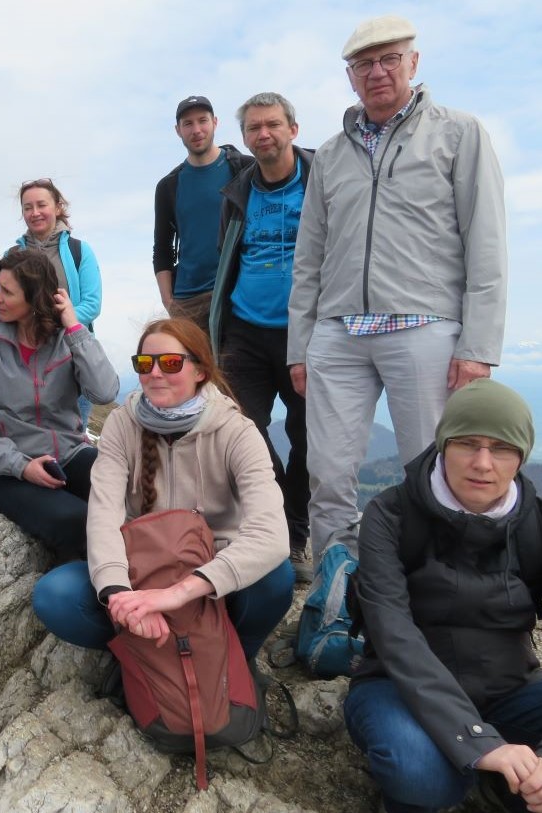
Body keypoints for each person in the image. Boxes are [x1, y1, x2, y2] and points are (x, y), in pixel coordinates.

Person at [288, 15, 508, 563]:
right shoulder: (330, 154)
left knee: (431, 471)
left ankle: (434, 591)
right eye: (363, 63)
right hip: (337, 332)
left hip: (425, 326)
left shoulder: (459, 133)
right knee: (327, 474)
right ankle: (335, 591)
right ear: (350, 76)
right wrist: (300, 347)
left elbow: (486, 241)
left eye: (389, 58)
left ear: (414, 62)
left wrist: (479, 346)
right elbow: (308, 257)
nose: (377, 72)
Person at [32, 318, 293, 664]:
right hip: (142, 570)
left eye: (170, 363)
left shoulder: (237, 431)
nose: (155, 373)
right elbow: (104, 515)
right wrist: (118, 593)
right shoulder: (122, 424)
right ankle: (146, 659)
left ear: (200, 370)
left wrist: (181, 592)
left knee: (275, 578)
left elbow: (272, 536)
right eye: (144, 363)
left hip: (212, 572)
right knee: (55, 595)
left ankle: (236, 662)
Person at [345, 380, 542, 813]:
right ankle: (478, 772)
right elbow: (394, 634)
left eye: (501, 448)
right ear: (443, 444)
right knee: (421, 774)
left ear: (521, 456)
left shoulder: (540, 524)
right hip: (398, 690)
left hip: (512, 692)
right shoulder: (391, 515)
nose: (483, 463)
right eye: (467, 444)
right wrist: (476, 740)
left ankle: (509, 782)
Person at [210, 92, 313, 583]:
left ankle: (295, 534)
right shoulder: (237, 192)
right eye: (254, 127)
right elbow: (227, 257)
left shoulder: (322, 180)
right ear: (245, 137)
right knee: (241, 429)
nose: (264, 134)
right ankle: (272, 523)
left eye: (272, 124)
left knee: (309, 438)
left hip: (308, 332)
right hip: (246, 329)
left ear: (293, 128)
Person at [0, 250, 118, 559]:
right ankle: (94, 583)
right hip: (8, 472)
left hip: (70, 455)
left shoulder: (66, 340)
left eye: (7, 291)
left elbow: (105, 392)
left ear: (34, 297)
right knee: (77, 521)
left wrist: (74, 326)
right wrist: (22, 466)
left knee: (126, 492)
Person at [154, 96, 252, 334]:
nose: (196, 130)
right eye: (188, 124)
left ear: (215, 122)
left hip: (238, 292)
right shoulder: (169, 185)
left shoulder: (245, 169)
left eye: (202, 121)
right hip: (189, 302)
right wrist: (169, 302)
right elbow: (162, 250)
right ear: (178, 130)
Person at [11, 178, 102, 427]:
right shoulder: (12, 256)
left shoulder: (79, 251)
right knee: (25, 434)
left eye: (42, 205)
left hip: (73, 362)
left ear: (58, 207)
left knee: (73, 434)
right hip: (24, 363)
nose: (35, 212)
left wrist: (49, 323)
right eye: (27, 207)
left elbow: (92, 304)